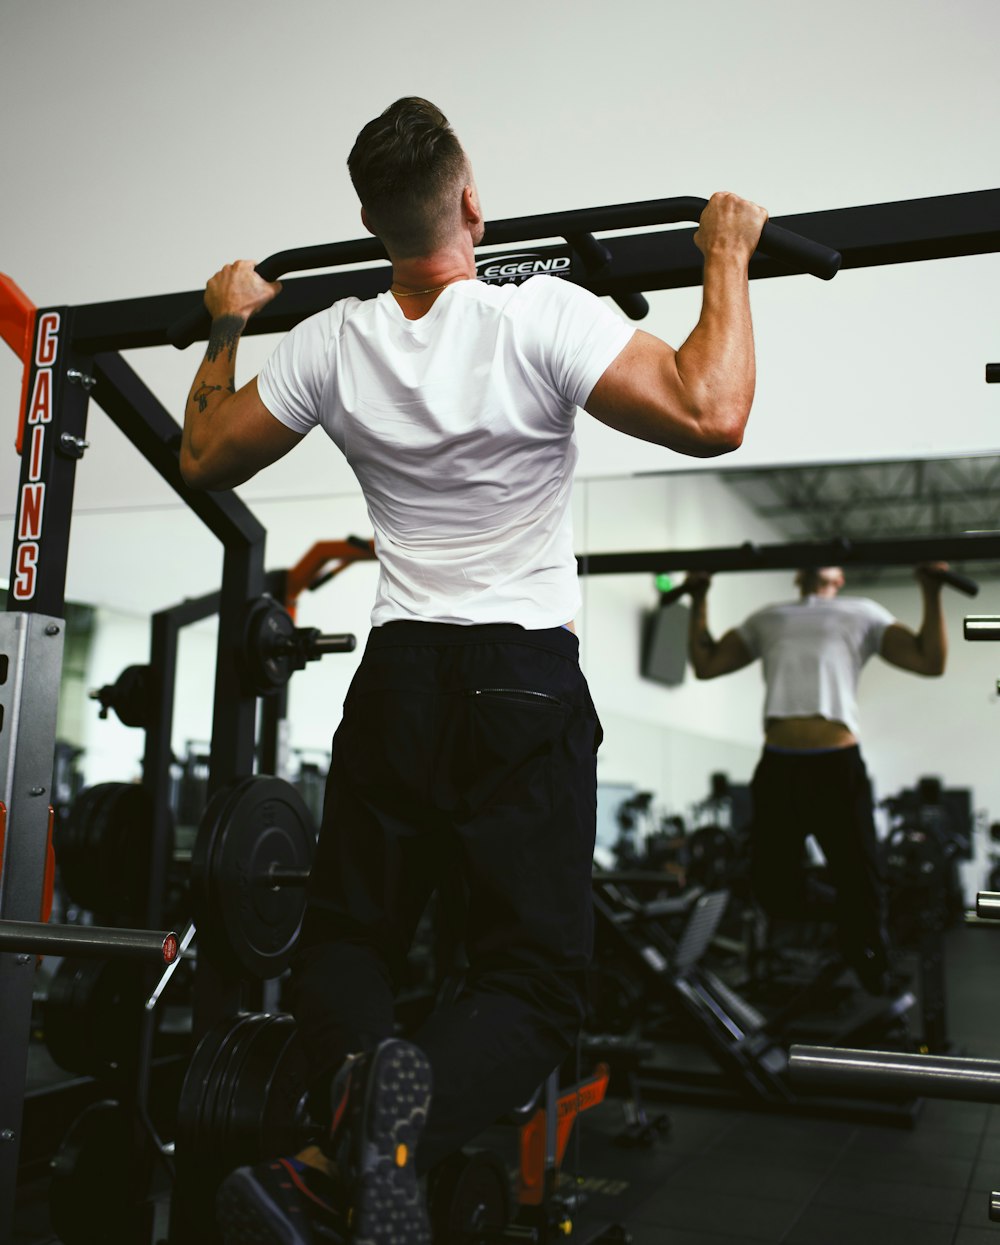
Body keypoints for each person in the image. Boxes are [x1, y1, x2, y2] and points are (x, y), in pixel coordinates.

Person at [179, 96, 767, 1245]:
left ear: (368, 222)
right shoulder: (539, 315)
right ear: (472, 203)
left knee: (346, 941)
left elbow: (203, 453)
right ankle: (396, 1126)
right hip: (522, 678)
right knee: (532, 982)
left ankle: (348, 1118)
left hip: (399, 675)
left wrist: (221, 324)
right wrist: (726, 256)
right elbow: (714, 412)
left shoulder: (330, 340)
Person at [684, 563, 947, 994]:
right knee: (771, 887)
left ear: (841, 575)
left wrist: (931, 591)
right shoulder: (768, 617)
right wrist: (699, 599)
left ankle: (873, 971)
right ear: (796, 572)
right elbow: (706, 664)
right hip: (779, 765)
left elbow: (929, 660)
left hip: (837, 766)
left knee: (863, 880)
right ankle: (847, 921)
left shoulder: (862, 612)